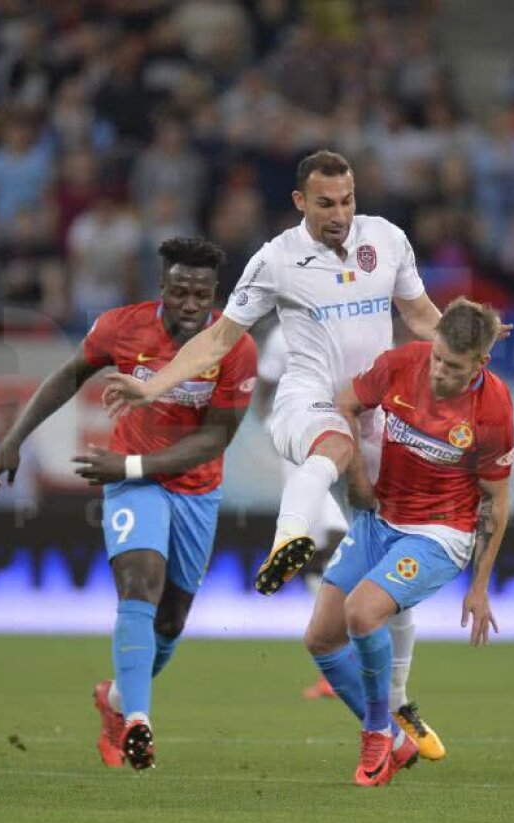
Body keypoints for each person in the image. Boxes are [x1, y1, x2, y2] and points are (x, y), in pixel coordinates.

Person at [105, 149, 463, 752]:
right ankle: (287, 535)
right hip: (310, 398)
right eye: (325, 203)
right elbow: (219, 339)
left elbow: (422, 316)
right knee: (332, 442)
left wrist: (469, 338)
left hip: (382, 408)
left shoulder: (388, 240)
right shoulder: (274, 259)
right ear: (300, 202)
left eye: (347, 201)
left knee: (390, 553)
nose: (339, 214)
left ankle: (399, 704)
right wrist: (153, 383)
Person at [0, 237, 257, 772]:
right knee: (140, 583)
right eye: (178, 290)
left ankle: (113, 701)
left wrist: (128, 467)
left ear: (214, 295)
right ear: (162, 287)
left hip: (194, 488)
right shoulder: (121, 327)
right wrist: (16, 437)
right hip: (132, 480)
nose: (187, 302)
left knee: (172, 621)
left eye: (199, 293)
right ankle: (138, 720)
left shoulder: (235, 346)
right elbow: (69, 374)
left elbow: (215, 440)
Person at [314, 299, 514, 786]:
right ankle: (396, 734)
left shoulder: (493, 409)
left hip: (440, 533)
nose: (440, 371)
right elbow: (344, 403)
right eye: (438, 357)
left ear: (480, 365)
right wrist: (359, 478)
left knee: (361, 613)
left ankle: (378, 734)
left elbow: (496, 501)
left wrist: (480, 586)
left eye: (454, 366)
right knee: (320, 639)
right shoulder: (402, 364)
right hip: (380, 518)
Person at [256, 319, 445, 759]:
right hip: (313, 446)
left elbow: (430, 331)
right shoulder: (285, 336)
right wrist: (277, 426)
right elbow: (265, 390)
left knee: (385, 574)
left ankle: (395, 702)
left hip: (375, 455)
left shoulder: (377, 334)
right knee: (330, 544)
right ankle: (290, 542)